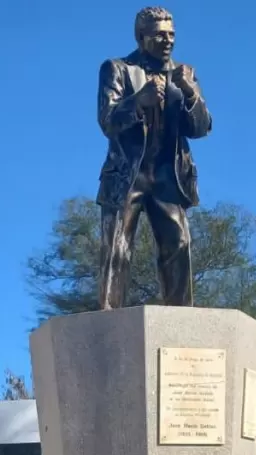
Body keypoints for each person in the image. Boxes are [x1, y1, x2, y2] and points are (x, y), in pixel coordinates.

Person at [96, 6, 212, 309]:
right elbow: (107, 120)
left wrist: (191, 94)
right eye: (160, 35)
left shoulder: (185, 73)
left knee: (179, 244)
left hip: (167, 176)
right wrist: (138, 101)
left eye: (171, 34)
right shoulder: (117, 68)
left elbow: (201, 128)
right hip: (127, 175)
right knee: (117, 248)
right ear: (141, 36)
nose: (168, 40)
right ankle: (109, 316)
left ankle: (181, 317)